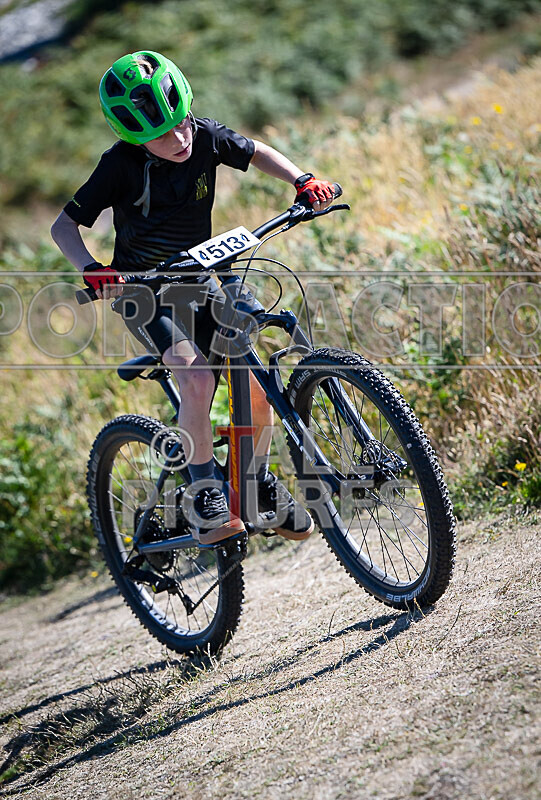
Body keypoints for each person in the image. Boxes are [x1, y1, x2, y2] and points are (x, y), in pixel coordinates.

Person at [51, 49, 336, 546]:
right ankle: (205, 490)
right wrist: (93, 269)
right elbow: (64, 226)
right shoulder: (119, 165)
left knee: (253, 374)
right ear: (134, 136)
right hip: (143, 291)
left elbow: (255, 151)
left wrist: (301, 180)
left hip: (206, 274)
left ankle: (254, 485)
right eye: (162, 134)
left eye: (181, 122)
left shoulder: (203, 134)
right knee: (197, 377)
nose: (179, 138)